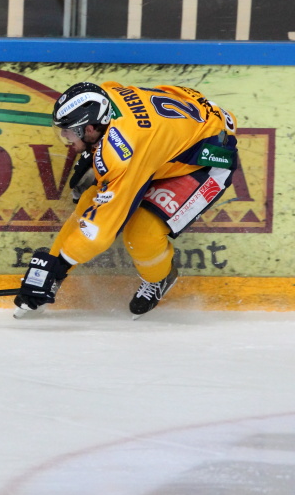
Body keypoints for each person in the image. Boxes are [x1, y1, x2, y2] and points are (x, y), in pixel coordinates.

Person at [14, 81, 238, 319]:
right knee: (90, 198)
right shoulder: (105, 96)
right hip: (172, 138)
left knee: (141, 234)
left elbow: (97, 233)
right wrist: (52, 264)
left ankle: (160, 278)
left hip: (206, 160)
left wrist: (57, 270)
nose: (64, 137)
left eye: (69, 131)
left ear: (90, 129)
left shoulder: (121, 154)